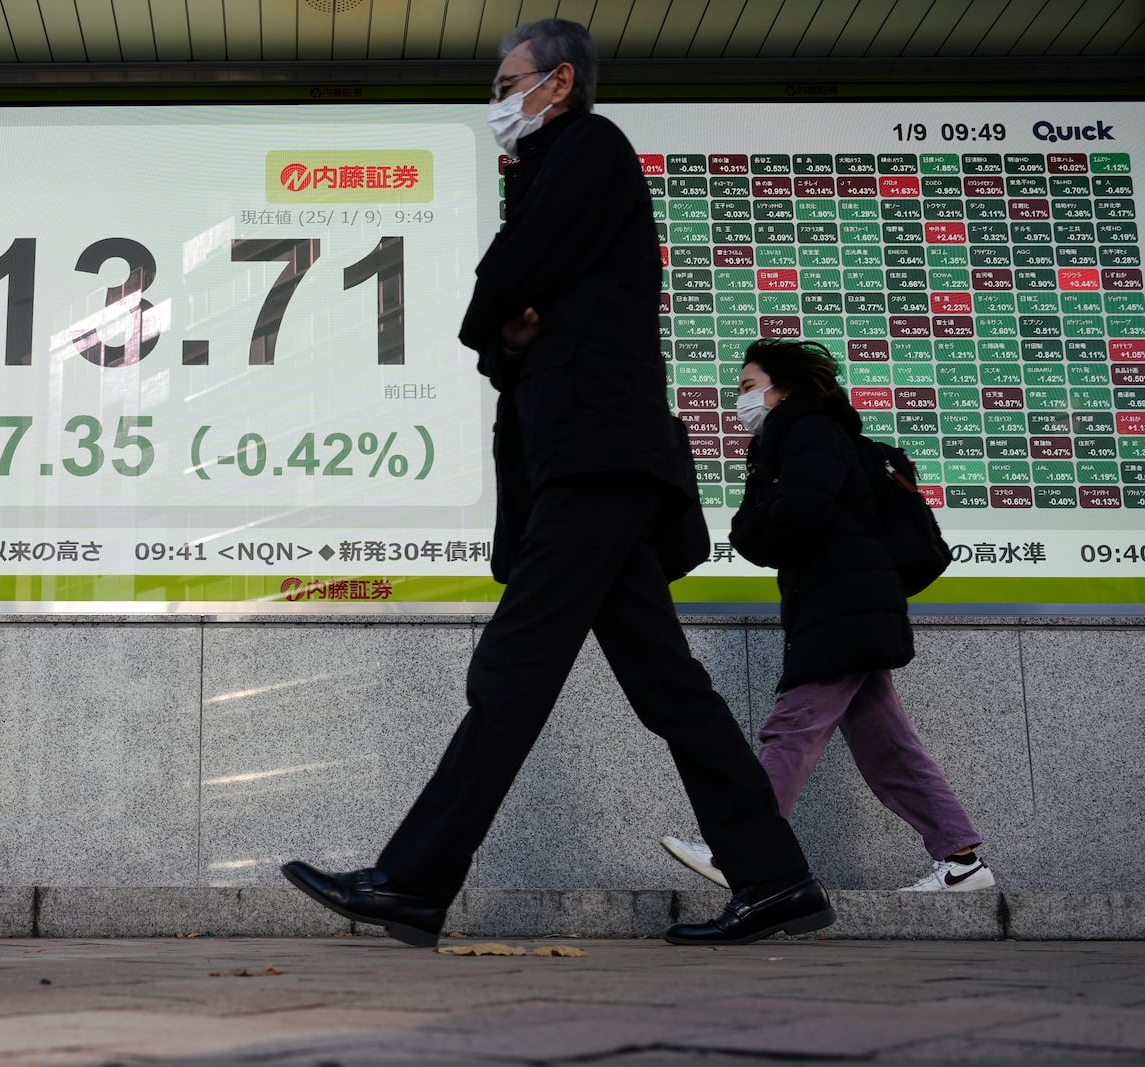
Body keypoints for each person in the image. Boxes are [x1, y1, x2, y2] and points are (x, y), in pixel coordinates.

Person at [281, 18, 835, 949]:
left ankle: (413, 882)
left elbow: (509, 274)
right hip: (584, 465)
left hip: (598, 458)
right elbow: (511, 328)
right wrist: (509, 334)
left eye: (507, 82)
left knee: (516, 663)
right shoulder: (549, 171)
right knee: (670, 689)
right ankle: (776, 880)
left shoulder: (590, 148)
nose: (496, 102)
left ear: (560, 81)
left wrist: (499, 319)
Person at [660, 338, 994, 894]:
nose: (739, 401)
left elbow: (792, 522)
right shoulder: (798, 440)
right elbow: (768, 530)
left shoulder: (808, 432)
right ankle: (960, 863)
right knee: (890, 750)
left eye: (748, 386)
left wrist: (761, 515)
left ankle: (740, 850)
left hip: (839, 608)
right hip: (849, 607)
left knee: (792, 727)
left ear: (782, 387)